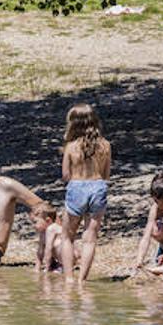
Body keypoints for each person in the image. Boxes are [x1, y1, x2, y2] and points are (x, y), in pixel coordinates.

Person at [60, 104, 112, 283]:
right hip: (98, 187)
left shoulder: (71, 147)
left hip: (77, 186)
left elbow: (65, 175)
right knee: (90, 237)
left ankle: (69, 279)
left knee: (67, 235)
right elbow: (106, 175)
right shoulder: (105, 145)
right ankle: (82, 280)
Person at [32, 203, 74, 276]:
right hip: (60, 259)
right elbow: (40, 251)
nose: (33, 226)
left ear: (48, 220)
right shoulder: (43, 232)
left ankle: (65, 265)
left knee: (54, 246)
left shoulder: (51, 229)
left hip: (71, 257)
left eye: (35, 222)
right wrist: (37, 267)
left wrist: (46, 269)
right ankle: (57, 265)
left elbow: (49, 249)